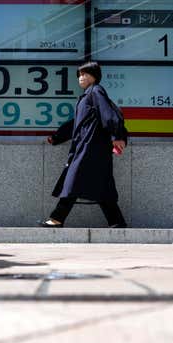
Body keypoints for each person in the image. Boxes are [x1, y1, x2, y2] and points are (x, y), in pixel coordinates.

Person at [39, 62, 127, 228]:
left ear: (94, 76)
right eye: (79, 74)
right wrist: (57, 137)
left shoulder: (96, 91)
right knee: (103, 186)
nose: (81, 77)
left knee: (73, 180)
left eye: (85, 74)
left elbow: (108, 114)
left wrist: (116, 135)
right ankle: (117, 221)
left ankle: (57, 218)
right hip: (90, 148)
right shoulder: (87, 96)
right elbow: (77, 124)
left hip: (91, 148)